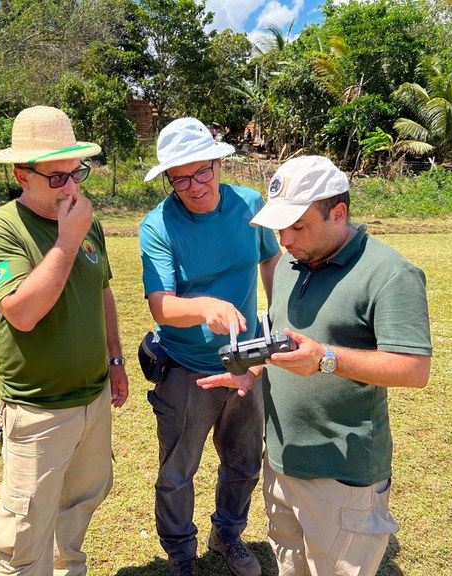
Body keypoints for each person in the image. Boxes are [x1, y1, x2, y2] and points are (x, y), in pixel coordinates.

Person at [198, 155, 433, 576]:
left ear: (338, 213)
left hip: (342, 476)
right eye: (279, 227)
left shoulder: (391, 274)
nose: (284, 239)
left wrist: (326, 358)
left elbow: (414, 368)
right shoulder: (290, 262)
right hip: (282, 462)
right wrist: (251, 370)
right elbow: (282, 331)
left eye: (298, 226)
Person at [0, 105, 129, 576]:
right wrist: (65, 240)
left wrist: (116, 360)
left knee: (77, 510)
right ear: (22, 174)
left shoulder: (84, 220)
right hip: (38, 408)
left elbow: (102, 290)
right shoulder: (1, 229)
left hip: (92, 398)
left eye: (75, 173)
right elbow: (22, 312)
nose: (72, 187)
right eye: (57, 178)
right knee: (22, 536)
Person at [139, 117, 282, 576]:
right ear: (168, 179)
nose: (194, 185)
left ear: (220, 163)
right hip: (186, 367)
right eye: (180, 177)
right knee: (177, 473)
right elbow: (160, 306)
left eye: (202, 172)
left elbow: (270, 259)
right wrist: (203, 307)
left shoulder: (250, 204)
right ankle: (182, 556)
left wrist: (275, 322)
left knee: (245, 461)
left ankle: (228, 534)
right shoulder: (157, 225)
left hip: (246, 363)